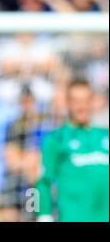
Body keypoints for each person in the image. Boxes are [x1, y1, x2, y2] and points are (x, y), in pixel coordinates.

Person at [36, 79, 109, 222]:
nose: (82, 106)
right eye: (76, 101)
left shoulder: (105, 135)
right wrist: (43, 216)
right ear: (67, 103)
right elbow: (42, 183)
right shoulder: (56, 139)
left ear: (93, 102)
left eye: (86, 100)